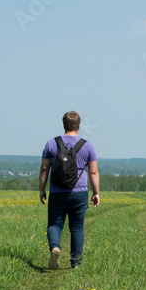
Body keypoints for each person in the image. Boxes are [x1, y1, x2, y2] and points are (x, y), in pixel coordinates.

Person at [39, 111, 100, 270]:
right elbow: (93, 172)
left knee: (54, 224)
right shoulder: (87, 146)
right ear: (79, 125)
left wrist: (42, 189)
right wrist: (96, 193)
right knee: (77, 228)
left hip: (57, 192)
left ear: (63, 125)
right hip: (79, 193)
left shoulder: (51, 144)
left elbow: (45, 169)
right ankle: (75, 263)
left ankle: (54, 247)